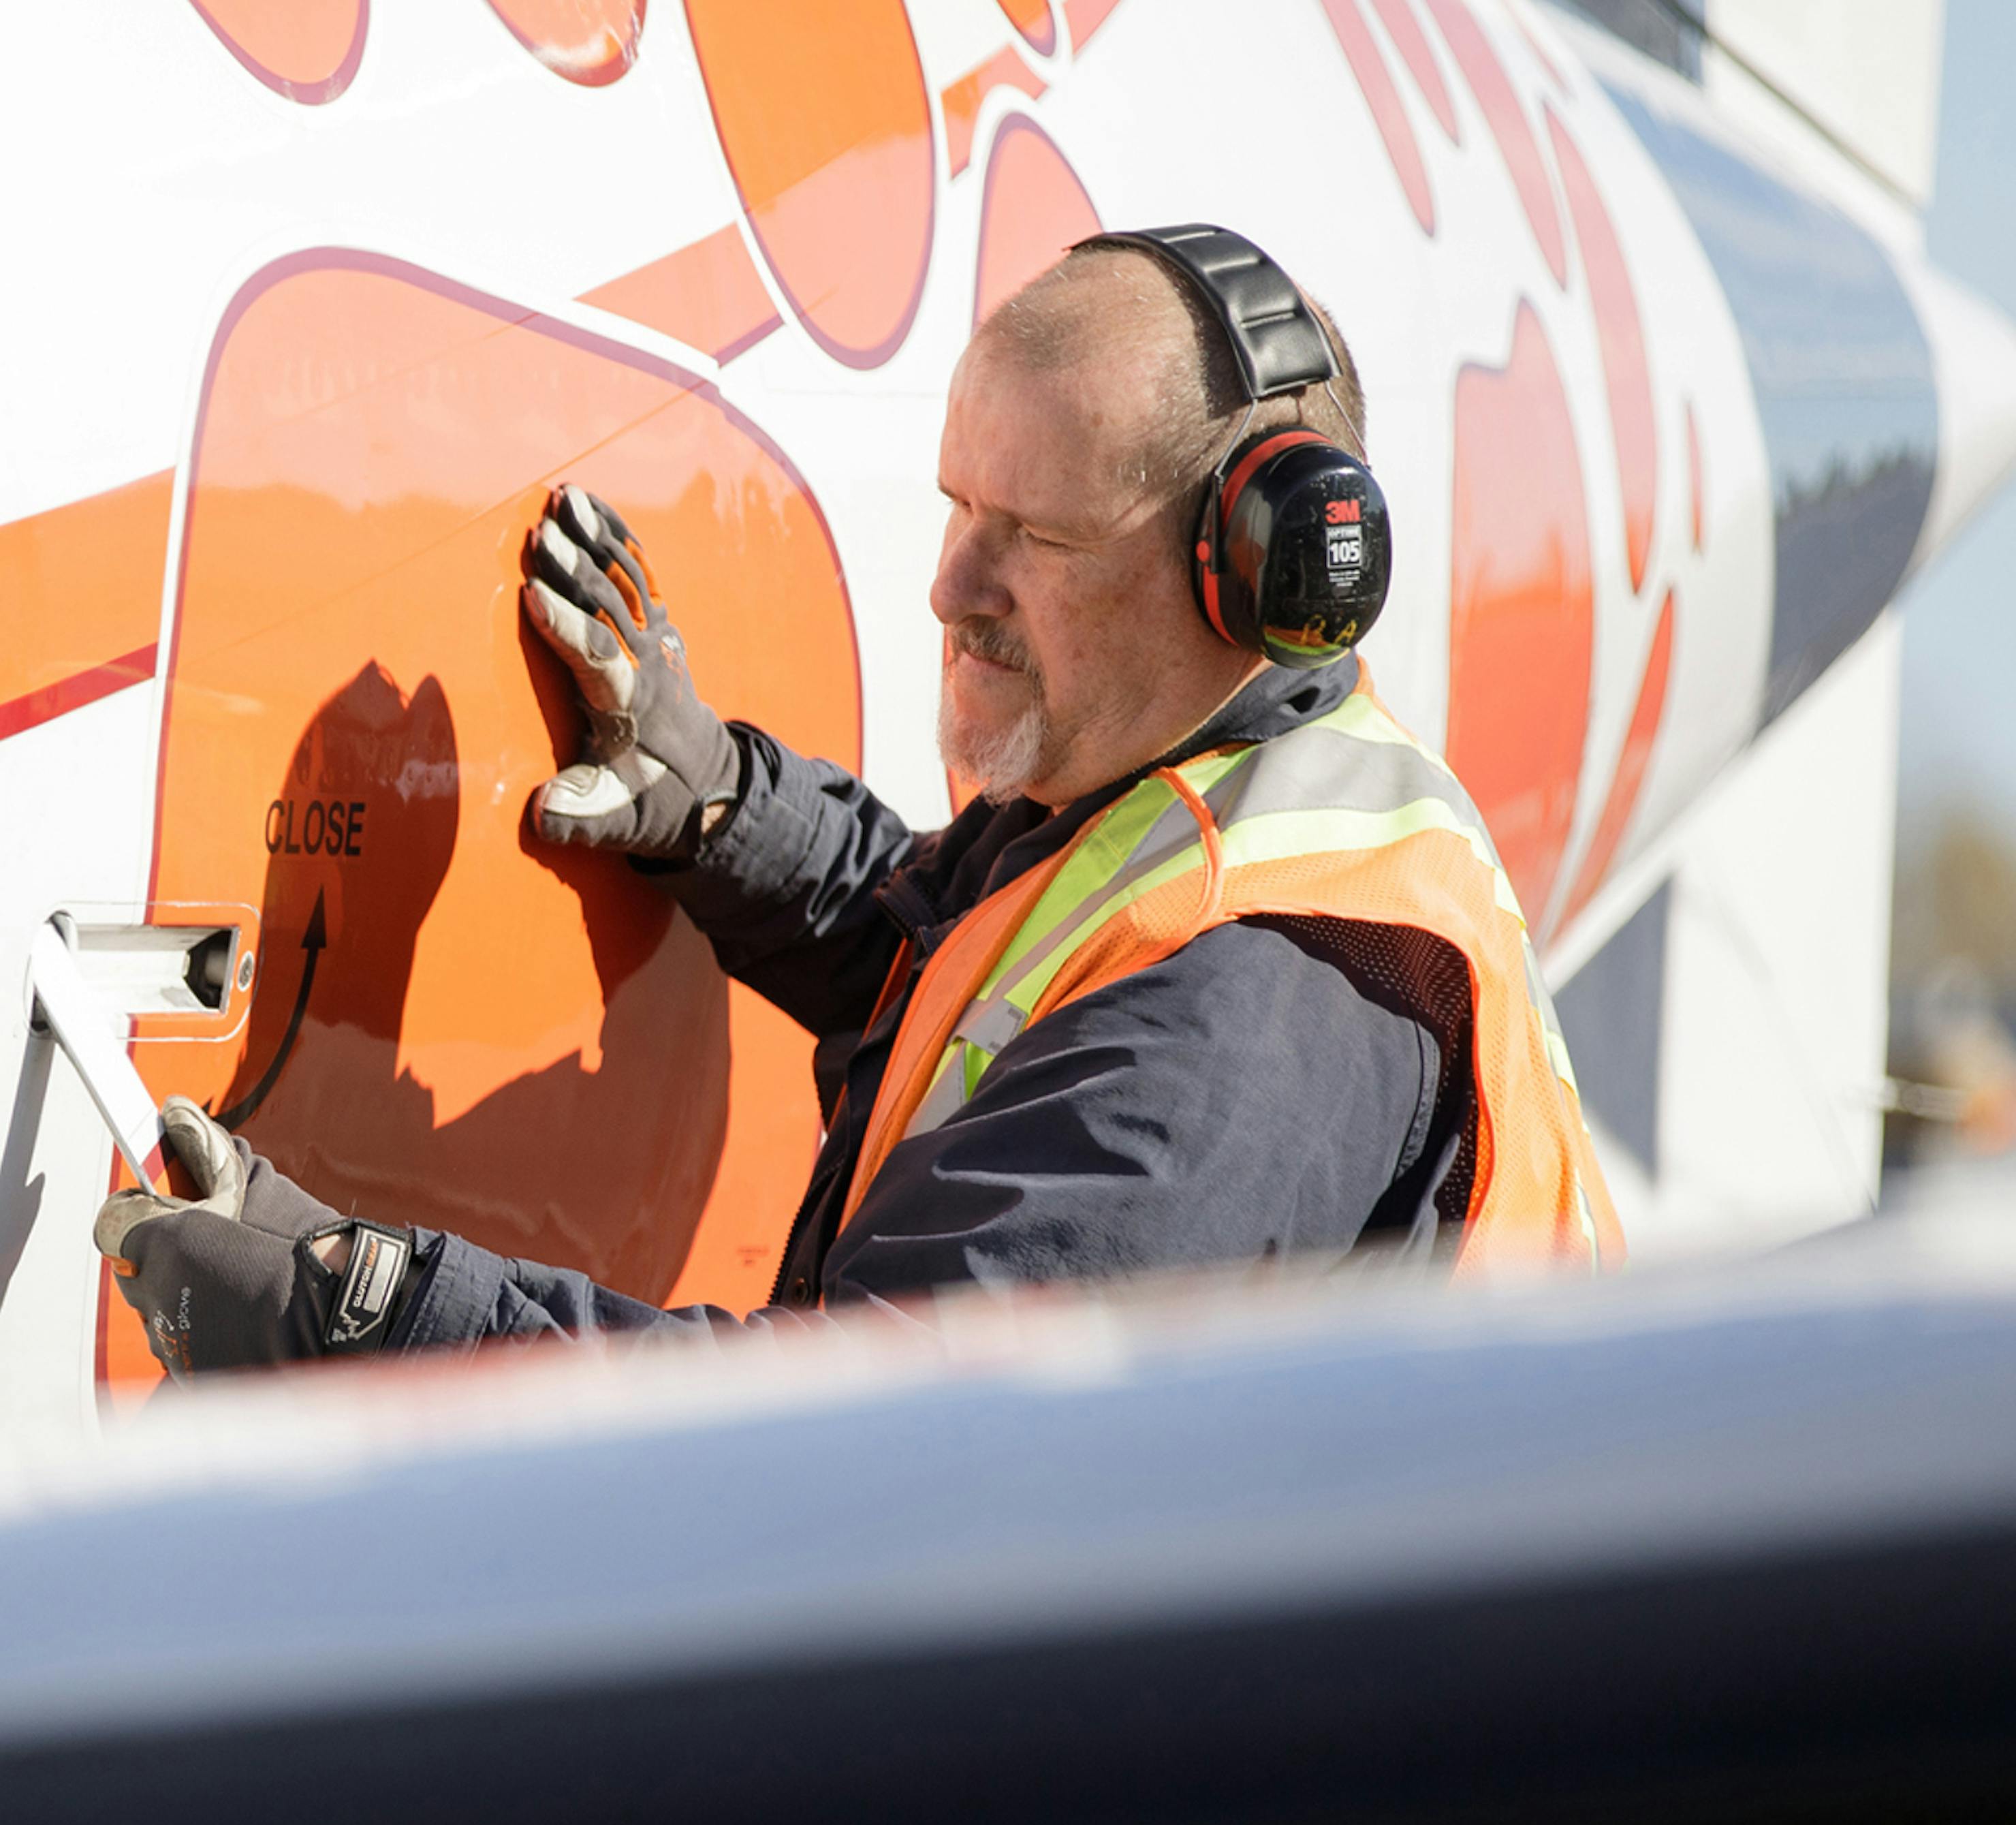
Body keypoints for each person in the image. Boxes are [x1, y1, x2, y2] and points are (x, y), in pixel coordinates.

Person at [97, 228, 1620, 1377]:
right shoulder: (1182, 792)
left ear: (1259, 575)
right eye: (957, 508)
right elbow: (950, 967)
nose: (950, 588)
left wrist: (363, 1316)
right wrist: (713, 800)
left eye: (1031, 536)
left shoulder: (1249, 1012)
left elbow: (869, 1440)